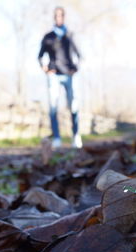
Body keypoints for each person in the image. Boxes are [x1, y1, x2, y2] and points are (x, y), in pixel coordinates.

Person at [38, 6, 82, 148]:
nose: (58, 18)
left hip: (69, 74)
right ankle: (57, 138)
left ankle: (76, 136)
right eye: (56, 16)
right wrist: (44, 68)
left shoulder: (69, 35)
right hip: (54, 74)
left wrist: (76, 68)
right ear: (54, 17)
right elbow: (40, 56)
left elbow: (79, 54)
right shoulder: (48, 37)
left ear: (64, 17)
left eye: (61, 15)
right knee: (53, 107)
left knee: (73, 106)